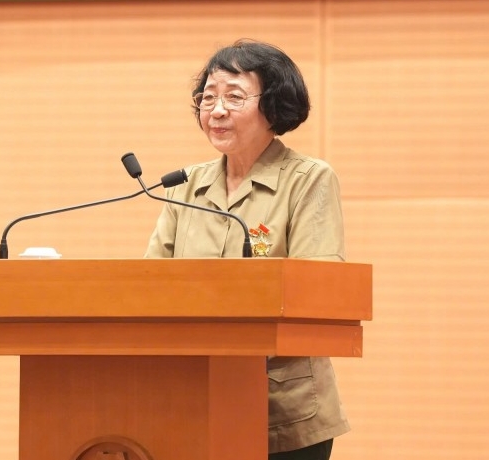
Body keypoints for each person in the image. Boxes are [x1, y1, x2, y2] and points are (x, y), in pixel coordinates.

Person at [144, 39, 350, 460]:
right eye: (208, 98)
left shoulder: (307, 179)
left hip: (283, 412)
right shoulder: (184, 185)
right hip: (191, 401)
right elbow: (148, 286)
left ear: (273, 105)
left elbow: (318, 291)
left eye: (234, 97)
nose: (216, 110)